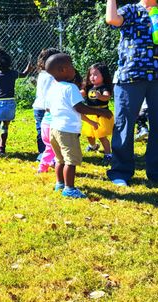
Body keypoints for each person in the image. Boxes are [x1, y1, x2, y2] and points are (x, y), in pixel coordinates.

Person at [106, 0, 158, 188]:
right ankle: (120, 172)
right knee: (124, 124)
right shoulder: (131, 10)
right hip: (130, 76)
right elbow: (111, 19)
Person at [45, 53, 113, 198]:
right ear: (63, 70)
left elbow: (48, 108)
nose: (73, 69)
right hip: (67, 131)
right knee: (71, 161)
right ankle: (69, 189)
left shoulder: (52, 88)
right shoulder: (70, 88)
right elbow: (80, 108)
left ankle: (60, 184)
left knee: (59, 159)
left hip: (54, 129)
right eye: (71, 66)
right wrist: (101, 112)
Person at [0, 47, 32, 156]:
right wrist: (28, 69)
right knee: (5, 126)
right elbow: (23, 75)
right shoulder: (13, 74)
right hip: (10, 103)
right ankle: (2, 148)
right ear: (9, 62)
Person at [80, 63, 115, 165]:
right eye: (90, 74)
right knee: (89, 135)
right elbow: (81, 93)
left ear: (103, 75)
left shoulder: (104, 88)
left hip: (101, 115)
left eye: (95, 74)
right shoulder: (89, 88)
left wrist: (100, 97)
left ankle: (108, 154)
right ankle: (93, 146)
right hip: (90, 114)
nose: (92, 77)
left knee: (101, 136)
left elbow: (107, 97)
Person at [32, 48, 61, 159]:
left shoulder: (43, 74)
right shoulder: (51, 76)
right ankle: (44, 152)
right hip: (45, 107)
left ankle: (45, 152)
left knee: (42, 130)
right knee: (45, 130)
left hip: (41, 107)